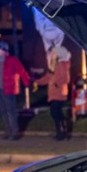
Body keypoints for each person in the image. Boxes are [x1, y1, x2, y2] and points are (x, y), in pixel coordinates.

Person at [35, 8, 72, 140]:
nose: (50, 55)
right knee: (55, 113)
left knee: (55, 112)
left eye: (53, 54)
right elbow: (48, 78)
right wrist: (37, 82)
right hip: (54, 93)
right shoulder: (52, 66)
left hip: (59, 93)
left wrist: (56, 84)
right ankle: (61, 131)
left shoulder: (62, 63)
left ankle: (63, 131)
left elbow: (65, 77)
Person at [0, 42, 30, 140]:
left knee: (11, 112)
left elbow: (22, 71)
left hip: (9, 90)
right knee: (3, 112)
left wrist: (27, 83)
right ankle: (8, 131)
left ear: (3, 50)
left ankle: (14, 133)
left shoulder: (12, 60)